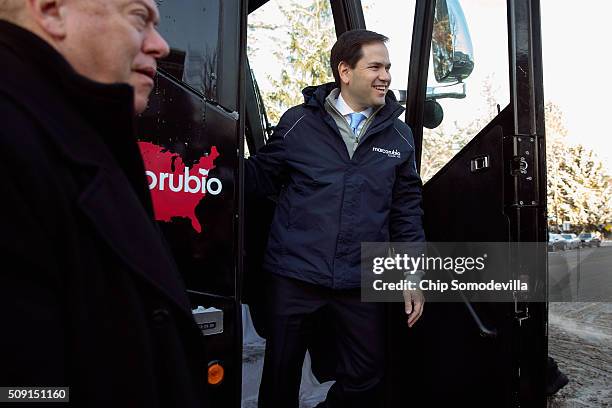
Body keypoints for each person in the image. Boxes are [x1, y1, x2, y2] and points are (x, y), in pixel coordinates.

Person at [0, 1, 208, 406]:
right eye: (138, 18)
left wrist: (375, 291)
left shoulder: (73, 138)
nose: (162, 46)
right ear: (51, 10)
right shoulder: (16, 150)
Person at [246, 29, 426, 408]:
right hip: (294, 274)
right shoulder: (298, 122)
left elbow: (406, 211)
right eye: (375, 66)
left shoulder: (399, 136)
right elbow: (259, 178)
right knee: (280, 376)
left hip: (360, 279)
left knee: (367, 376)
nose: (386, 76)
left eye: (388, 67)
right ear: (345, 71)